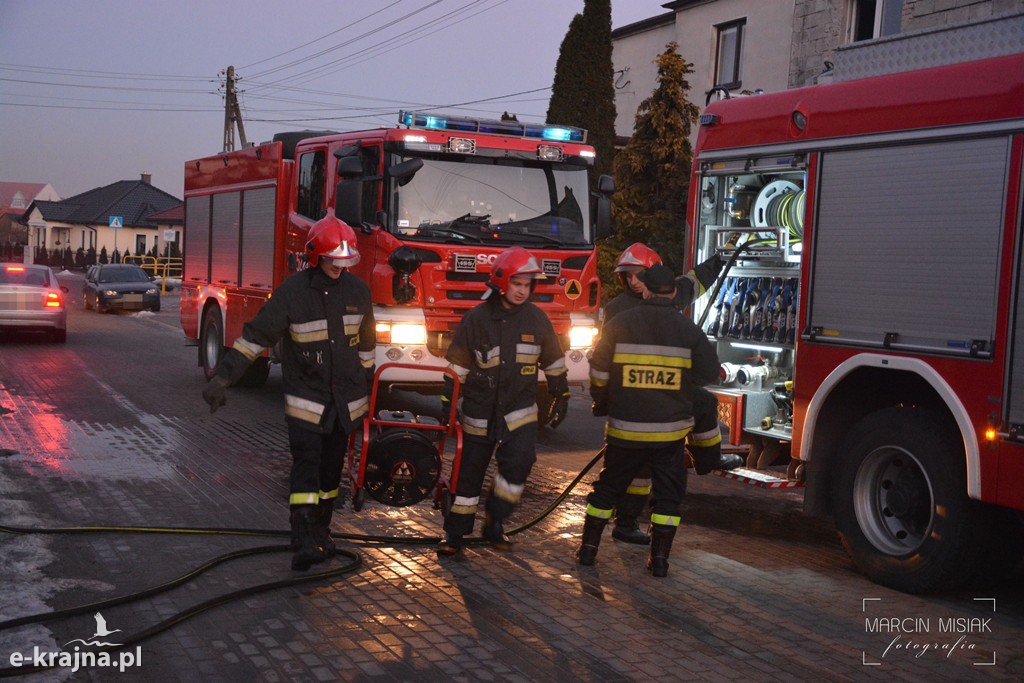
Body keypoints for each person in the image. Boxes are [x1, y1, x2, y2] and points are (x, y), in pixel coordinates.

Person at [201, 215, 375, 572]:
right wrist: (224, 377)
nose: (339, 266)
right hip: (307, 401)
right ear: (315, 255)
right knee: (307, 466)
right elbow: (256, 337)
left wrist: (364, 390)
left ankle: (322, 530)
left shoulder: (358, 292)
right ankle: (303, 537)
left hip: (343, 404)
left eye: (344, 260)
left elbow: (367, 348)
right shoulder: (293, 293)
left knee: (331, 473)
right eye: (332, 259)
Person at [579, 264, 720, 577]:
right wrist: (681, 383)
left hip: (624, 431)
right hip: (669, 436)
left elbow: (598, 370)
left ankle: (587, 551)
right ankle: (659, 562)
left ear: (645, 290)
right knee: (668, 497)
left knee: (607, 490)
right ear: (673, 292)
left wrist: (603, 401)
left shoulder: (620, 323)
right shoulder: (687, 329)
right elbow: (709, 372)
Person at [602, 242, 743, 545]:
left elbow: (693, 282)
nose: (634, 282)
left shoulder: (667, 294)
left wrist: (718, 259)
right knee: (640, 469)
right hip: (638, 394)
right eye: (628, 276)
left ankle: (708, 458)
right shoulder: (618, 310)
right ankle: (626, 522)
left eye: (639, 275)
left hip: (661, 389)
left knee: (704, 402)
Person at [437, 246, 569, 557]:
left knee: (520, 463)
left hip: (519, 412)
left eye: (527, 285)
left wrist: (561, 394)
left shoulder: (537, 320)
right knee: (468, 475)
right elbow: (456, 369)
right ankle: (454, 534)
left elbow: (553, 361)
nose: (523, 291)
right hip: (479, 411)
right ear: (500, 283)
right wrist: (447, 405)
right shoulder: (476, 319)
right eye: (517, 284)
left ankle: (495, 522)